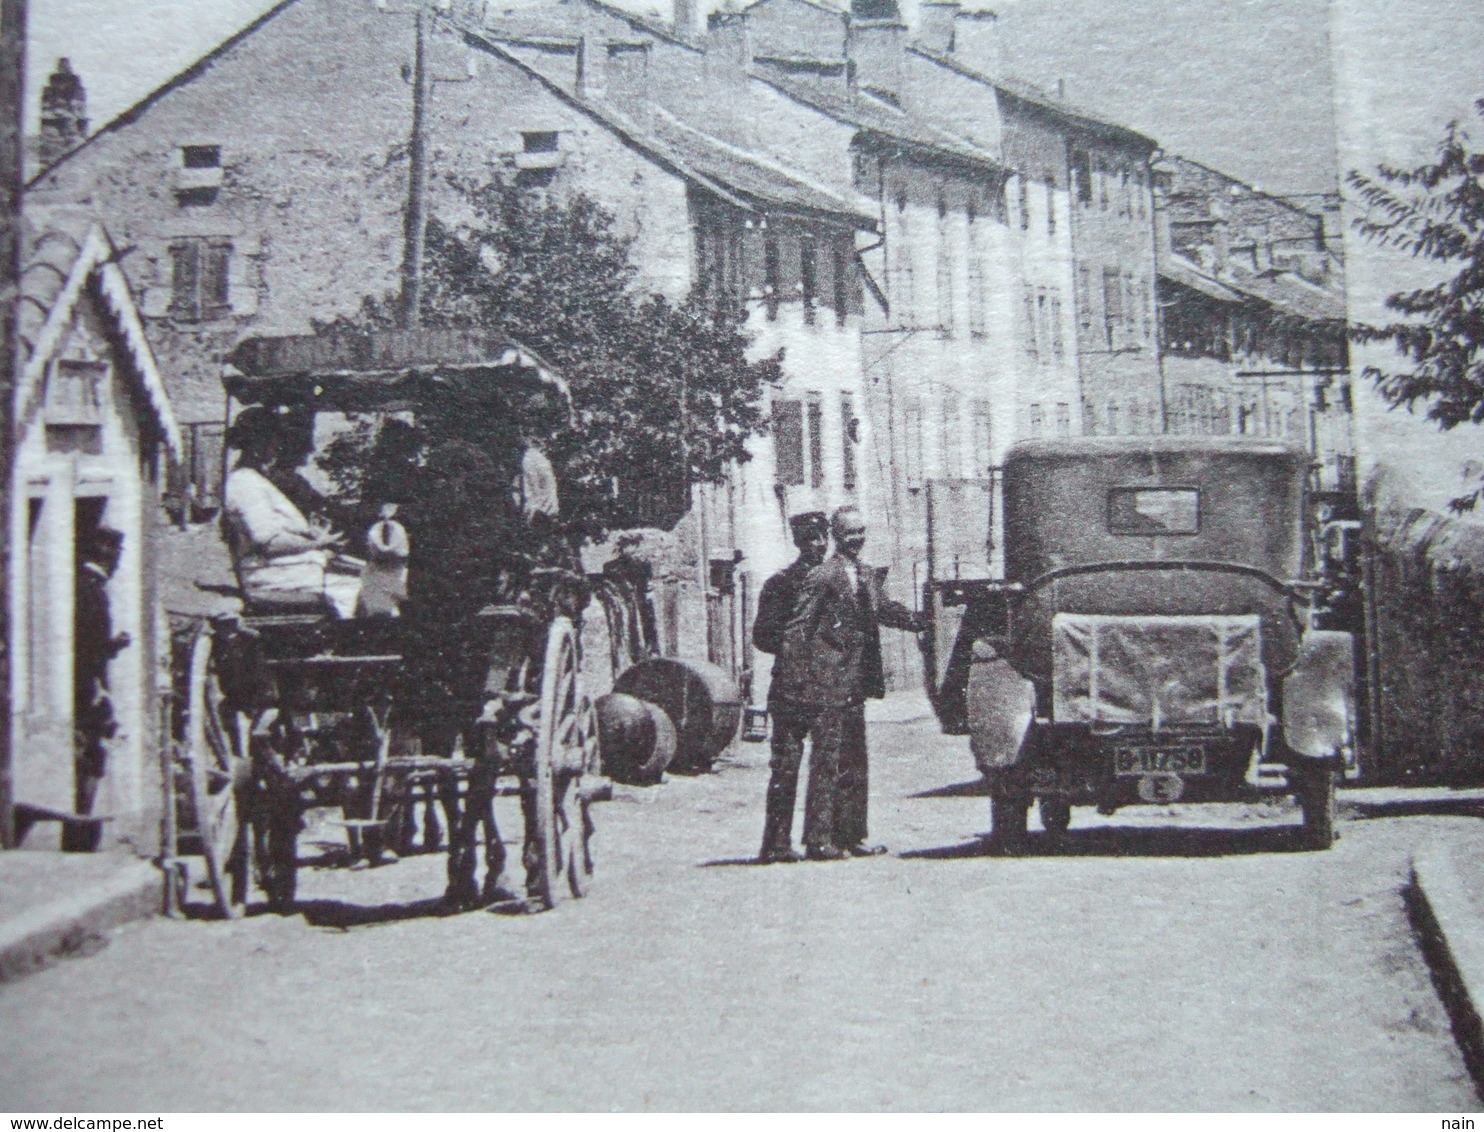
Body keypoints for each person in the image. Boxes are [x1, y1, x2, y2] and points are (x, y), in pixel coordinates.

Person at [778, 505, 927, 860]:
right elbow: (798, 629)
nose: (856, 539)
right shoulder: (822, 575)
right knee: (827, 760)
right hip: (826, 683)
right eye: (849, 533)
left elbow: (884, 609)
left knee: (855, 761)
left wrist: (918, 620)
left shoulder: (865, 573)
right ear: (835, 534)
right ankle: (819, 839)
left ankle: (853, 835)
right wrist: (799, 680)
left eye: (861, 532)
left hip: (855, 682)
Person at [222, 407, 358, 614]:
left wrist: (309, 534)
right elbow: (268, 542)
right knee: (367, 591)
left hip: (290, 569)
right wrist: (318, 543)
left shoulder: (255, 480)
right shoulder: (244, 483)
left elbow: (278, 528)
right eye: (275, 440)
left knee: (371, 581)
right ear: (260, 444)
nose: (278, 447)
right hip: (274, 576)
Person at [753, 510, 830, 864]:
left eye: (822, 537)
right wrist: (797, 647)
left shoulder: (833, 579)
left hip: (826, 686)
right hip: (790, 686)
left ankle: (820, 839)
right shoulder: (780, 584)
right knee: (785, 765)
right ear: (798, 542)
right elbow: (762, 637)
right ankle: (776, 843)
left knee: (827, 765)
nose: (819, 544)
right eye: (811, 538)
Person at [69, 526, 130, 851]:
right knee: (91, 758)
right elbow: (89, 648)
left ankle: (81, 830)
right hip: (85, 689)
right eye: (117, 553)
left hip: (81, 684)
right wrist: (98, 689)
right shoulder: (93, 590)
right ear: (106, 553)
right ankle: (82, 835)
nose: (119, 561)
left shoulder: (80, 584)